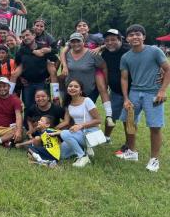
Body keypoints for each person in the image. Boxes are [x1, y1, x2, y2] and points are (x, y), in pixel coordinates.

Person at [118, 24, 170, 172]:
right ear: (127, 39)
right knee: (129, 122)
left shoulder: (154, 51)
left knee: (154, 126)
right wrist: (126, 98)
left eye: (138, 34)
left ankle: (154, 159)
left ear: (143, 37)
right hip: (134, 92)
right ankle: (132, 152)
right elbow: (124, 79)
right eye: (131, 35)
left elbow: (167, 70)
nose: (135, 37)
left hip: (153, 93)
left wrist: (162, 90)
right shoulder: (126, 57)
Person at [61, 20, 112, 122]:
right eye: (79, 26)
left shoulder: (95, 39)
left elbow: (109, 43)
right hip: (73, 86)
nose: (82, 27)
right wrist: (64, 66)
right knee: (71, 115)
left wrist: (99, 48)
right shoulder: (69, 49)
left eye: (84, 25)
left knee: (102, 88)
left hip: (92, 72)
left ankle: (108, 114)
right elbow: (63, 52)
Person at [56, 79, 101, 167]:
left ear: (81, 90)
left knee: (65, 133)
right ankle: (83, 149)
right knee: (62, 155)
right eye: (70, 86)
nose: (72, 88)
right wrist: (52, 129)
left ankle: (83, 157)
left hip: (90, 133)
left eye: (76, 86)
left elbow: (98, 120)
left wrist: (81, 125)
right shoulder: (68, 104)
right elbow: (66, 122)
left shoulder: (87, 101)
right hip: (79, 133)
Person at [11, 28, 59, 109]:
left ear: (34, 35)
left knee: (44, 107)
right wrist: (21, 77)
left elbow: (57, 60)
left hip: (42, 83)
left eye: (27, 35)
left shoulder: (43, 49)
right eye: (23, 37)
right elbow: (18, 65)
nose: (25, 38)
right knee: (28, 108)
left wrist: (52, 75)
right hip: (28, 85)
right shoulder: (21, 51)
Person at [100, 29, 131, 145]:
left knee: (128, 118)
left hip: (131, 91)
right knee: (110, 115)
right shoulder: (106, 53)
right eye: (107, 40)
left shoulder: (129, 50)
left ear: (120, 40)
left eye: (113, 39)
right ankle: (106, 137)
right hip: (115, 91)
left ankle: (129, 143)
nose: (110, 43)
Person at [64, 32, 106, 102]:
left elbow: (104, 67)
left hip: (88, 93)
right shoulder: (67, 54)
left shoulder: (92, 54)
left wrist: (106, 82)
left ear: (83, 42)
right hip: (71, 92)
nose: (76, 44)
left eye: (78, 41)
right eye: (73, 42)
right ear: (70, 43)